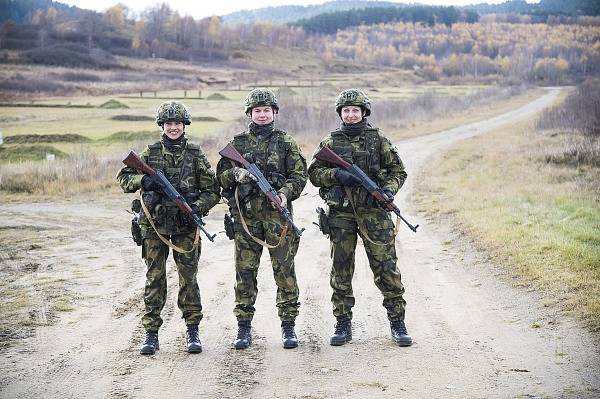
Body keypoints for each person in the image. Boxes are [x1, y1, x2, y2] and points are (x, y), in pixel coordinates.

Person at [307, 89, 412, 347]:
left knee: (386, 269)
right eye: (346, 111)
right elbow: (314, 173)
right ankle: (342, 323)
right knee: (341, 269)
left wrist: (387, 190)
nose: (351, 115)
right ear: (340, 114)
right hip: (341, 214)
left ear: (364, 112)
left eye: (355, 110)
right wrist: (336, 176)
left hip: (374, 214)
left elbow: (398, 170)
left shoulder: (379, 141)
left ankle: (397, 322)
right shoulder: (330, 142)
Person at [117, 100, 220, 355]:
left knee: (189, 279)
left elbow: (212, 190)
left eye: (177, 123)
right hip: (154, 227)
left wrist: (196, 208)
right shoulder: (150, 153)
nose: (173, 128)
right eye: (168, 123)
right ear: (161, 125)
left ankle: (192, 330)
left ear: (185, 125)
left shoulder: (195, 154)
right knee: (155, 278)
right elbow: (124, 177)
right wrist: (145, 180)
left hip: (185, 228)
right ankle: (151, 333)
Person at [216, 88, 307, 350]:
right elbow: (219, 178)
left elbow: (300, 176)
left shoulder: (286, 142)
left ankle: (288, 327)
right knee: (245, 274)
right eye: (257, 110)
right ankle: (243, 328)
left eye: (267, 110)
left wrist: (285, 193)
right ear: (250, 113)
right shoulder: (238, 144)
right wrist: (236, 175)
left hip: (278, 220)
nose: (262, 114)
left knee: (285, 273)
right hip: (247, 219)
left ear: (275, 112)